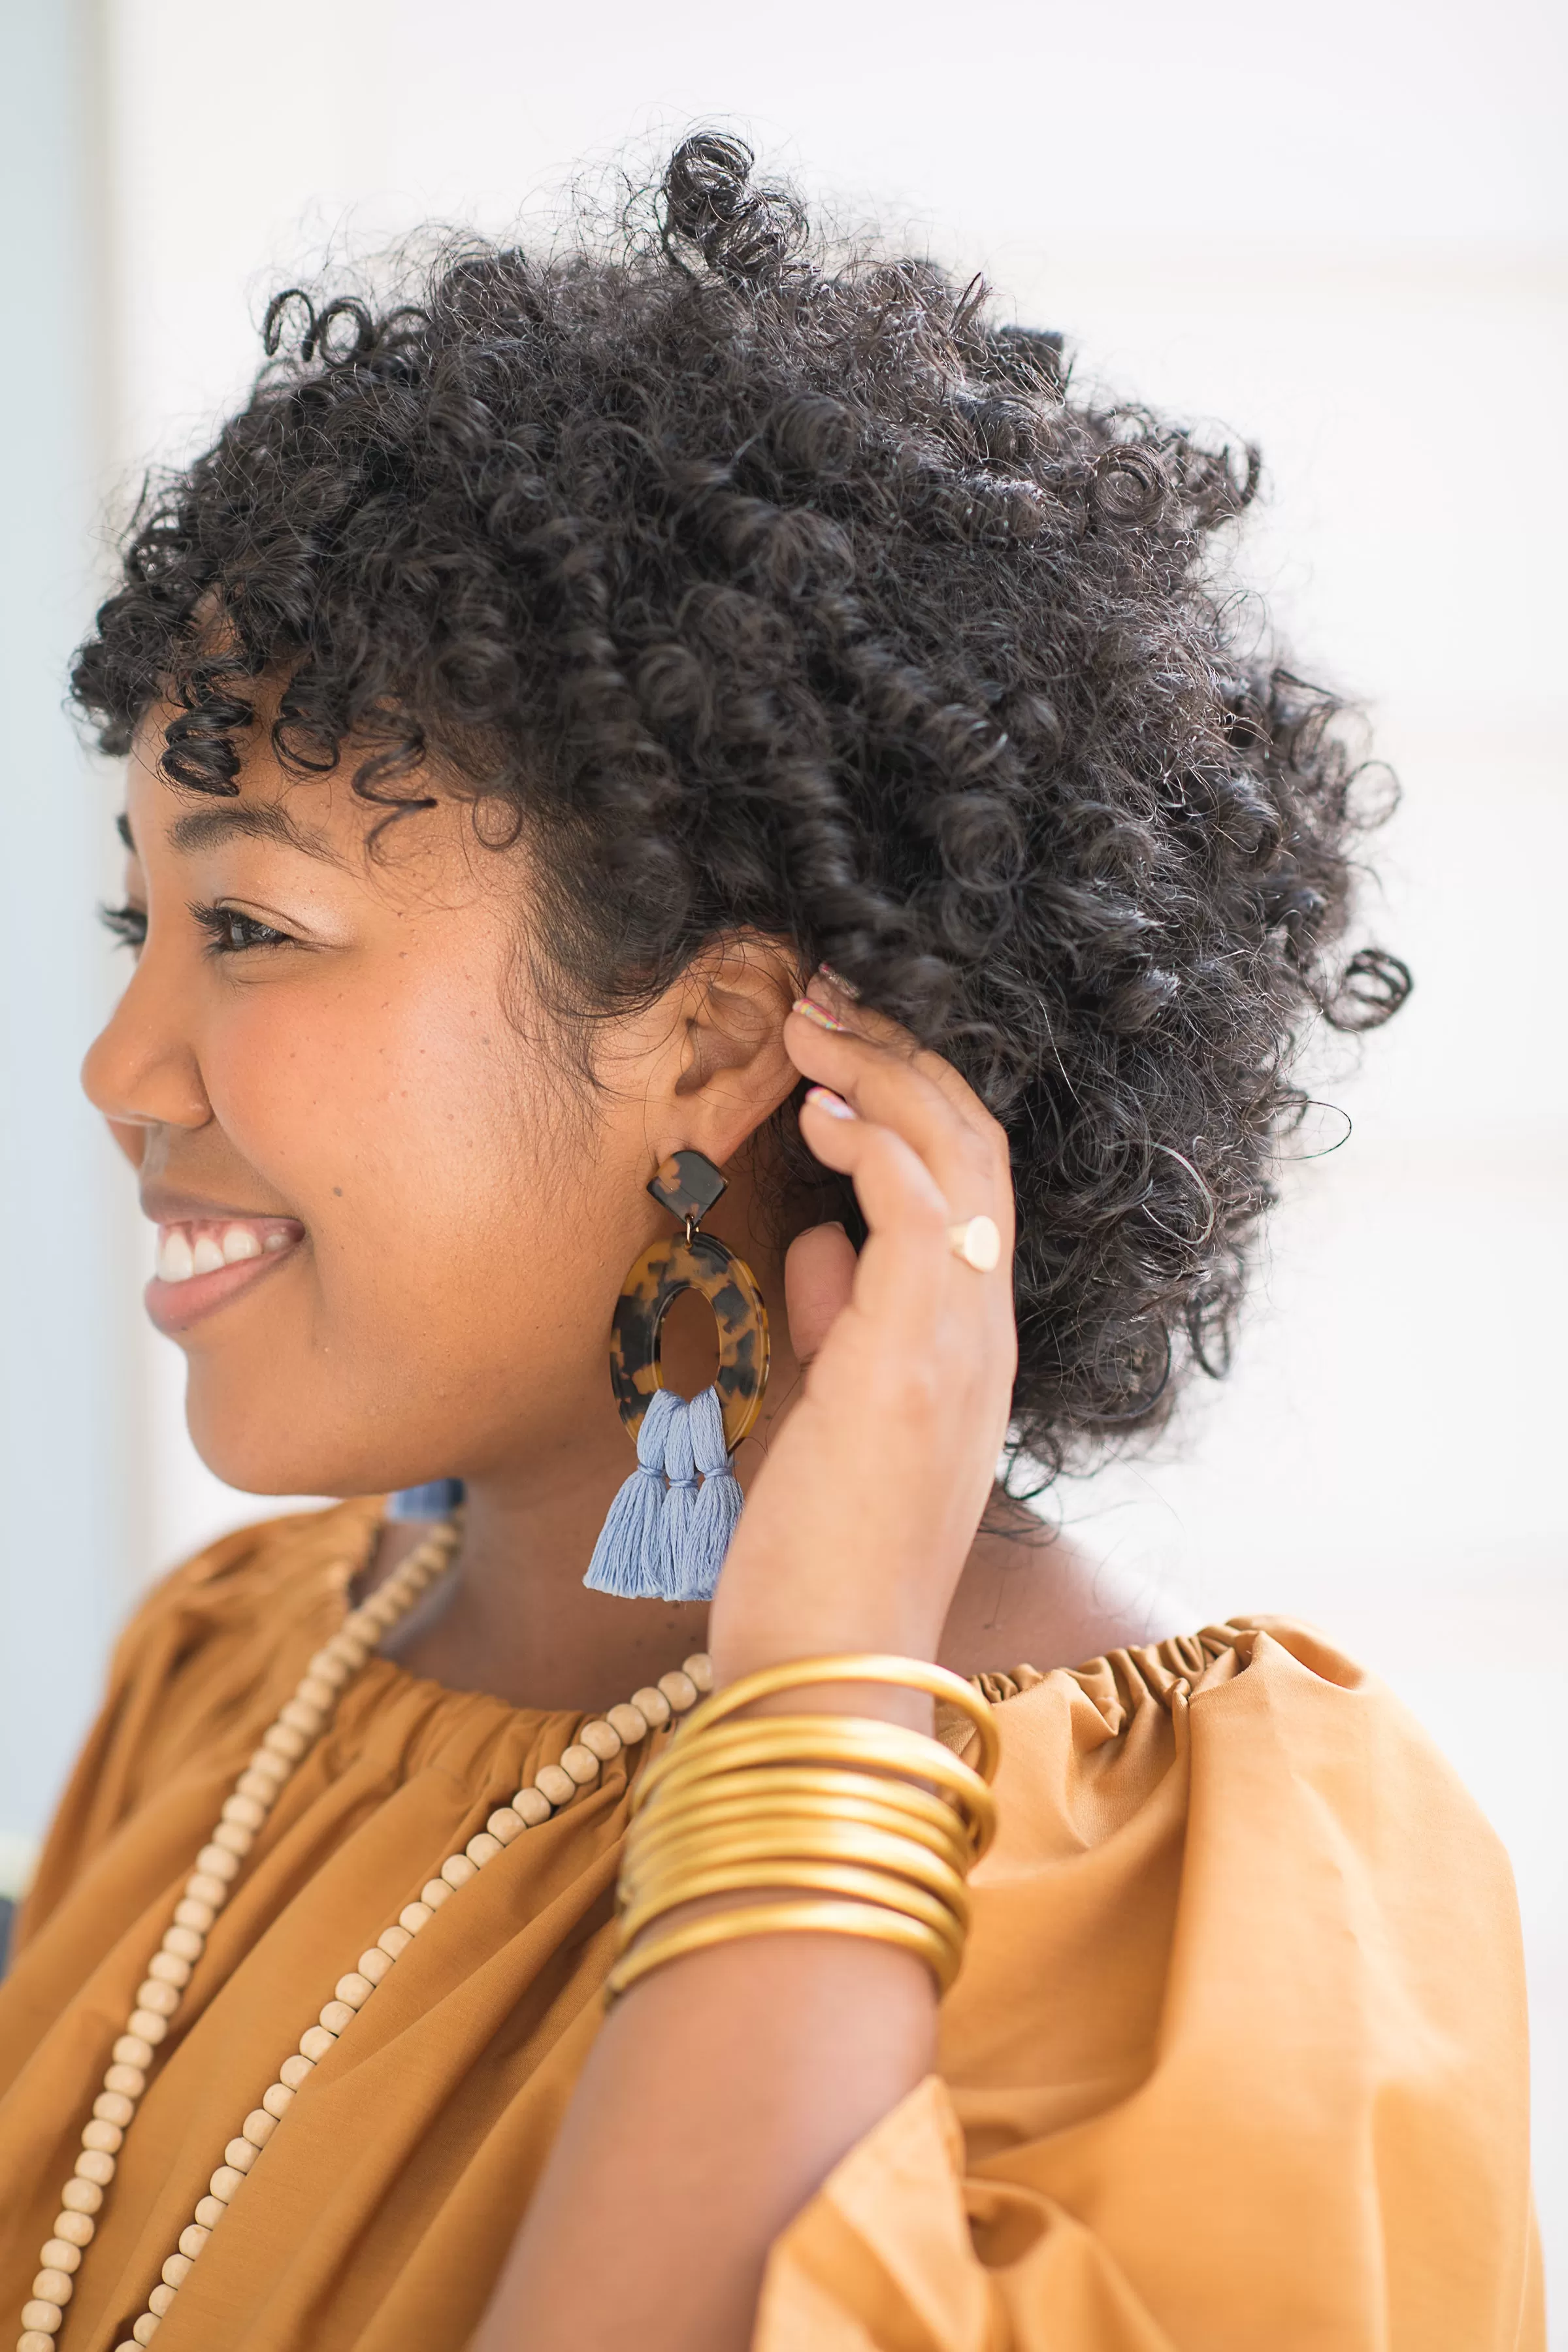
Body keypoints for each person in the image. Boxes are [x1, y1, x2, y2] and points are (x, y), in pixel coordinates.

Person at [0, 133, 1541, 2352]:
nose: (121, 1065)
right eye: (137, 921)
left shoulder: (1221, 1898)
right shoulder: (240, 1679)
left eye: (247, 925)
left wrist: (815, 1694)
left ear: (717, 1035)